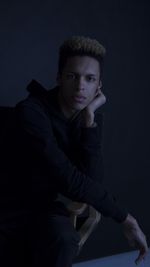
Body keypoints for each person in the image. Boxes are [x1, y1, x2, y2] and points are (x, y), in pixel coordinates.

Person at [0, 36, 148, 266]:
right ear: (59, 78)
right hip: (6, 211)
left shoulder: (87, 119)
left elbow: (91, 183)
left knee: (64, 238)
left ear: (98, 86)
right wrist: (126, 218)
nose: (80, 86)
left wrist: (89, 122)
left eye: (90, 79)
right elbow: (67, 177)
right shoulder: (31, 113)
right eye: (72, 76)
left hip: (39, 212)